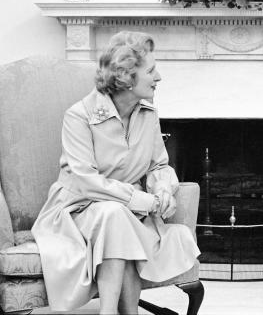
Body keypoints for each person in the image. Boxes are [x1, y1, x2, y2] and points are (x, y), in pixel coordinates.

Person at [32, 31, 200, 314]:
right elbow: (86, 181)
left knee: (116, 216)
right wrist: (142, 200)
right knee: (113, 214)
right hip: (78, 209)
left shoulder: (148, 113)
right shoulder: (79, 115)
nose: (159, 77)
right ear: (126, 76)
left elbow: (159, 165)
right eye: (151, 70)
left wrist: (162, 189)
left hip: (127, 214)